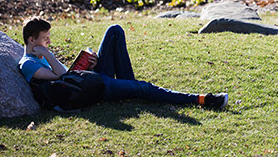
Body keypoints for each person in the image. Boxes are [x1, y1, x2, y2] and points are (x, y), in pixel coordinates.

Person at [19, 17, 228, 109]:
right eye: (45, 38)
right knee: (144, 88)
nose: (49, 42)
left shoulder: (41, 56)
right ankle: (202, 100)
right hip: (95, 88)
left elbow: (68, 74)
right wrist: (47, 54)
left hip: (88, 80)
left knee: (115, 31)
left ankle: (129, 86)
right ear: (31, 40)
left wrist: (92, 63)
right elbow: (62, 78)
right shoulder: (28, 63)